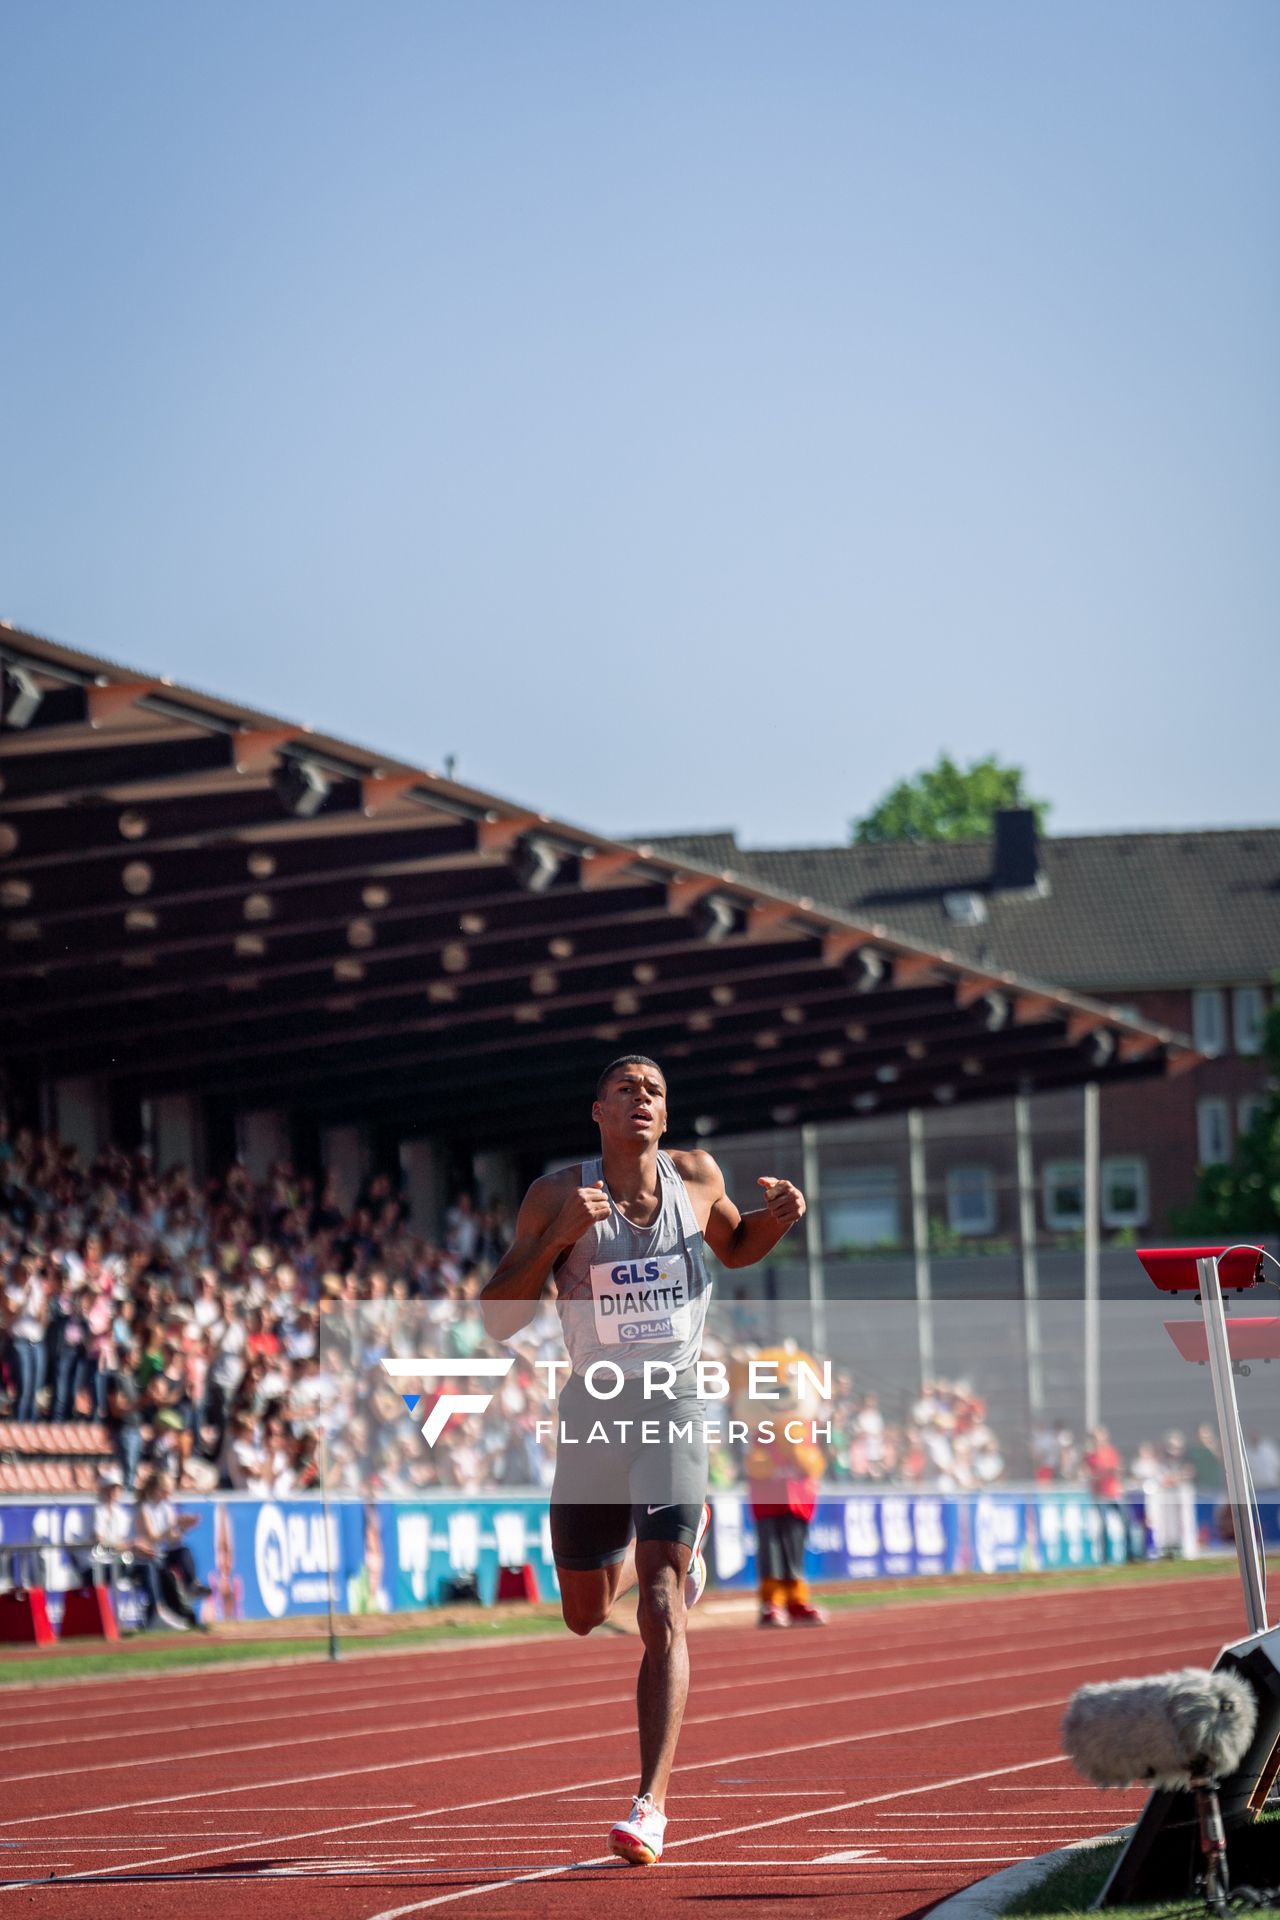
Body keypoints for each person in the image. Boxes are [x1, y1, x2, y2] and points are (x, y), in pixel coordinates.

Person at [481, 1054, 806, 1866]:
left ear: (666, 1117)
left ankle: (649, 1805)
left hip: (676, 1402)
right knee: (586, 1612)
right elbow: (494, 1319)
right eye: (625, 1088)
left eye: (654, 1091)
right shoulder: (556, 1194)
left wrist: (779, 1220)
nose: (641, 1099)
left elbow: (736, 1248)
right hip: (591, 1408)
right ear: (598, 1110)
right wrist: (558, 1238)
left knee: (660, 1606)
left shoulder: (696, 1176)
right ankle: (660, 1557)